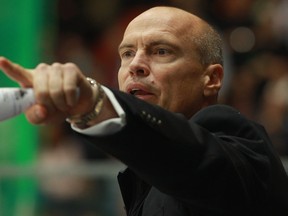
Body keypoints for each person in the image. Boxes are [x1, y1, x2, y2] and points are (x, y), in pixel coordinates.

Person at [0, 6, 288, 216]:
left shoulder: (238, 142)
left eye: (162, 51)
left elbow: (190, 157)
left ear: (211, 79)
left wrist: (93, 102)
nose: (135, 65)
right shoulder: (143, 172)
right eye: (127, 53)